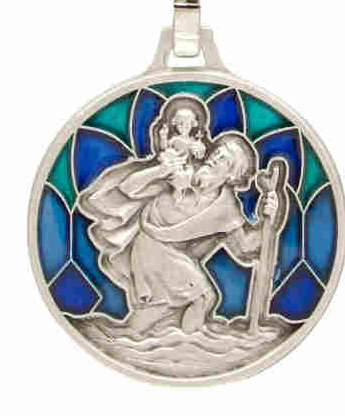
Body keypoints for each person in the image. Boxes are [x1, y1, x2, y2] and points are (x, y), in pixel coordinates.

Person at [79, 133, 278, 335]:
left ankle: (132, 335)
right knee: (203, 297)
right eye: (217, 152)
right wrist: (160, 170)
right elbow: (128, 188)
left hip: (168, 254)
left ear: (231, 175)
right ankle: (190, 341)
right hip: (149, 245)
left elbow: (245, 249)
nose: (214, 158)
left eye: (223, 159)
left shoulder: (226, 210)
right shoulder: (184, 171)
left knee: (165, 307)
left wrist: (269, 217)